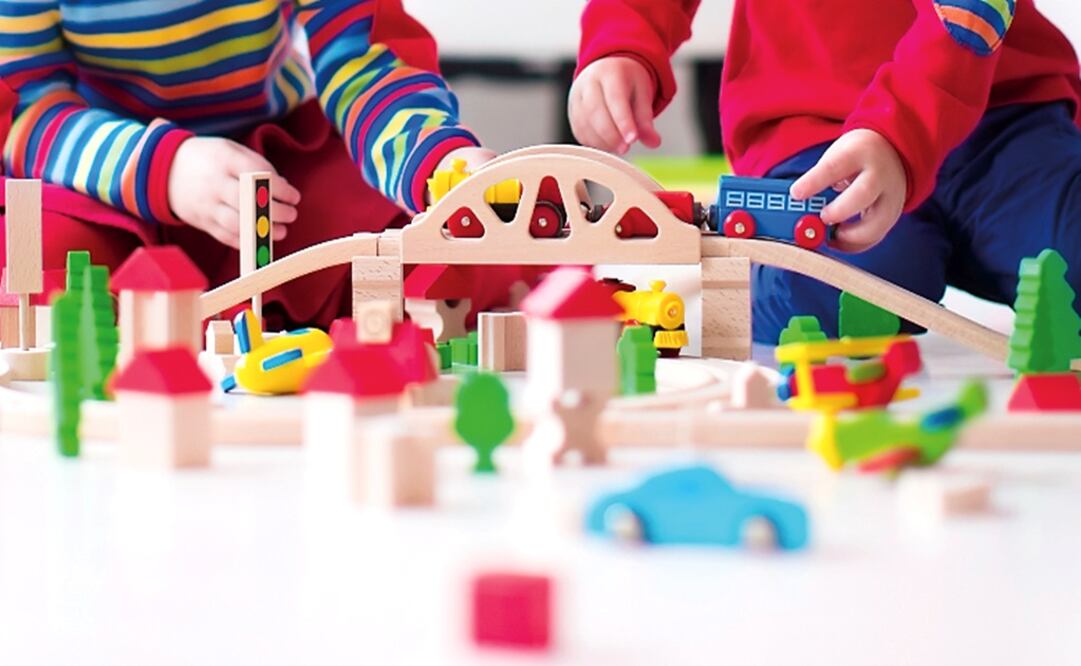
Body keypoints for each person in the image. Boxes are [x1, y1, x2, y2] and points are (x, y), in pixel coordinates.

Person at [568, 0, 1081, 341]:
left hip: (1003, 113)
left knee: (1069, 256)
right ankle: (728, 288)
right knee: (854, 289)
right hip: (814, 129)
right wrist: (620, 42)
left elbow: (971, 11)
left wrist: (898, 130)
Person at [0, 0, 493, 328]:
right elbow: (25, 107)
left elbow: (363, 60)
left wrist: (435, 163)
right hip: (102, 172)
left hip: (276, 164)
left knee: (407, 248)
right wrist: (161, 169)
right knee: (34, 261)